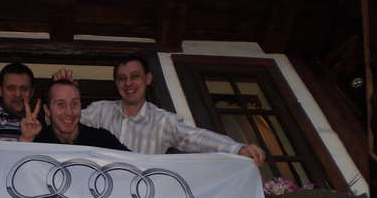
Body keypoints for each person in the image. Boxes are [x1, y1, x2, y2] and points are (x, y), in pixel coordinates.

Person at [53, 56, 265, 166]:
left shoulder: (163, 121)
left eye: (135, 76)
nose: (128, 83)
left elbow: (196, 138)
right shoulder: (100, 111)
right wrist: (63, 94)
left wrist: (236, 149)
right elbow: (64, 123)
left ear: (148, 79)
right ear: (116, 84)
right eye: (122, 78)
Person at [19, 80, 129, 151]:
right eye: (61, 104)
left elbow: (134, 164)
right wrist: (26, 139)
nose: (69, 112)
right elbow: (16, 172)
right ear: (47, 110)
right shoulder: (37, 141)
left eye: (74, 104)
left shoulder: (102, 139)